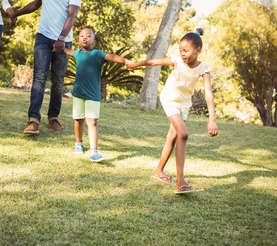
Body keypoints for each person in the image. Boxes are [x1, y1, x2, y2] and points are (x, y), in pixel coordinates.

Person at [126, 28, 218, 194]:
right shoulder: (176, 61)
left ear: (198, 50)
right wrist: (135, 64)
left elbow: (209, 95)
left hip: (184, 104)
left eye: (186, 50)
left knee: (173, 137)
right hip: (169, 99)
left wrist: (212, 119)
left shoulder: (203, 69)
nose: (182, 54)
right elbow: (153, 62)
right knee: (183, 133)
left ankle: (158, 171)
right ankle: (180, 181)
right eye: (181, 50)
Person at [11, 0, 81, 136]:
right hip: (43, 38)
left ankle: (53, 117)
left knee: (57, 81)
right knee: (39, 77)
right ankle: (33, 120)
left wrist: (61, 38)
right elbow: (35, 5)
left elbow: (71, 16)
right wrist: (16, 13)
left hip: (62, 41)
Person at [60, 27, 129, 162]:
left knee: (92, 121)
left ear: (94, 41)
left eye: (88, 36)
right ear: (79, 40)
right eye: (81, 36)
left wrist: (125, 61)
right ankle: (78, 143)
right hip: (78, 94)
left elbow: (112, 56)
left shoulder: (97, 54)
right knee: (78, 120)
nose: (85, 37)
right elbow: (67, 51)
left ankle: (94, 151)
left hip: (93, 95)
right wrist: (59, 48)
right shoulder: (78, 53)